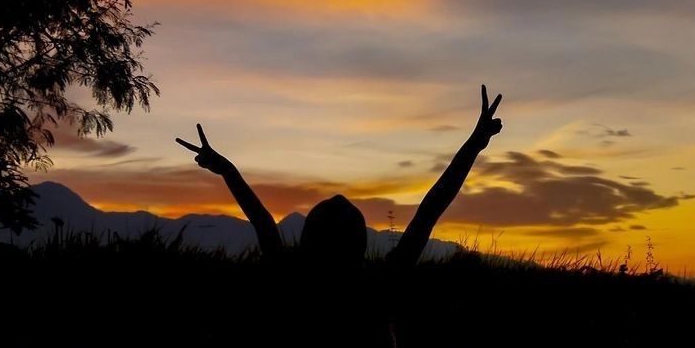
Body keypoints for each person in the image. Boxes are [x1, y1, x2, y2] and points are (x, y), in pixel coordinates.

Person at [175, 84, 502, 270]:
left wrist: (228, 171)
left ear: (307, 240)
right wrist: (473, 145)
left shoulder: (291, 275)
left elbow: (261, 220)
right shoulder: (381, 282)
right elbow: (431, 208)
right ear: (358, 242)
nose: (339, 201)